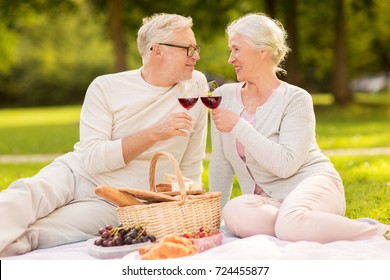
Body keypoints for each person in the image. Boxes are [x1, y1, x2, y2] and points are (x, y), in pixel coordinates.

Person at [0, 13, 208, 257]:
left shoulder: (195, 86)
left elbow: (192, 162)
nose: (196, 56)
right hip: (77, 173)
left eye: (195, 48)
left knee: (39, 233)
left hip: (121, 201)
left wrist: (189, 207)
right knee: (25, 196)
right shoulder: (106, 87)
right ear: (157, 50)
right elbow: (93, 159)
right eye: (188, 49)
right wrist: (155, 133)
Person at [208, 12, 390, 243]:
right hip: (270, 203)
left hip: (313, 183)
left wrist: (239, 126)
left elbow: (286, 165)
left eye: (236, 49)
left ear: (262, 51)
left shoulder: (296, 98)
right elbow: (220, 165)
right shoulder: (224, 96)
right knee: (234, 212)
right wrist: (213, 225)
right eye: (230, 50)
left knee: (290, 223)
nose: (230, 58)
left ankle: (377, 231)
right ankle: (302, 224)